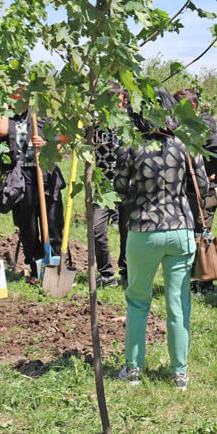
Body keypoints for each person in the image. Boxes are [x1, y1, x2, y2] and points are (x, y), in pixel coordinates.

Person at [113, 89, 210, 390]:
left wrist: (139, 196)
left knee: (137, 301)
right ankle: (179, 373)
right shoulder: (185, 145)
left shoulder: (132, 145)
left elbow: (119, 188)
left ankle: (133, 370)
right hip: (180, 228)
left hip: (143, 229)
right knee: (179, 303)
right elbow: (203, 186)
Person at [0, 88, 65, 285]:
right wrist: (4, 103)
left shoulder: (41, 115)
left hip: (45, 173)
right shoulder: (7, 117)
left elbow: (59, 141)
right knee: (28, 226)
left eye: (25, 93)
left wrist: (45, 143)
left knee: (53, 223)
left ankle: (55, 269)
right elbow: (0, 131)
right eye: (16, 93)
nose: (21, 97)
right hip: (20, 178)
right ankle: (36, 268)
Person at [174, 88, 217, 296]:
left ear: (192, 107)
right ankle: (192, 282)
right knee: (189, 238)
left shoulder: (201, 128)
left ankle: (205, 284)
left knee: (201, 237)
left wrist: (206, 171)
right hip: (188, 193)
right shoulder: (184, 127)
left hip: (202, 195)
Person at [90, 82, 130, 288]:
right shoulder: (95, 123)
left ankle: (127, 271)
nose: (119, 105)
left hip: (127, 184)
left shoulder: (130, 123)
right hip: (103, 186)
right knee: (97, 229)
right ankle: (106, 273)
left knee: (127, 232)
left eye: (121, 101)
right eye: (114, 101)